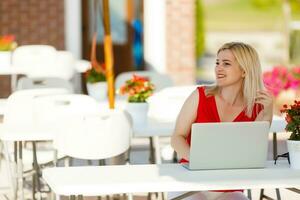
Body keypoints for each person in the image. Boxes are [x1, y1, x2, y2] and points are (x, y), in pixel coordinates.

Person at [170, 42, 273, 200]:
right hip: (192, 180)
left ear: (244, 70)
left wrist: (268, 111)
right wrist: (199, 161)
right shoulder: (200, 96)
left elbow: (254, 150)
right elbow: (177, 137)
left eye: (226, 64)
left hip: (229, 186)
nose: (218, 68)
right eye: (217, 63)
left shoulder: (257, 107)